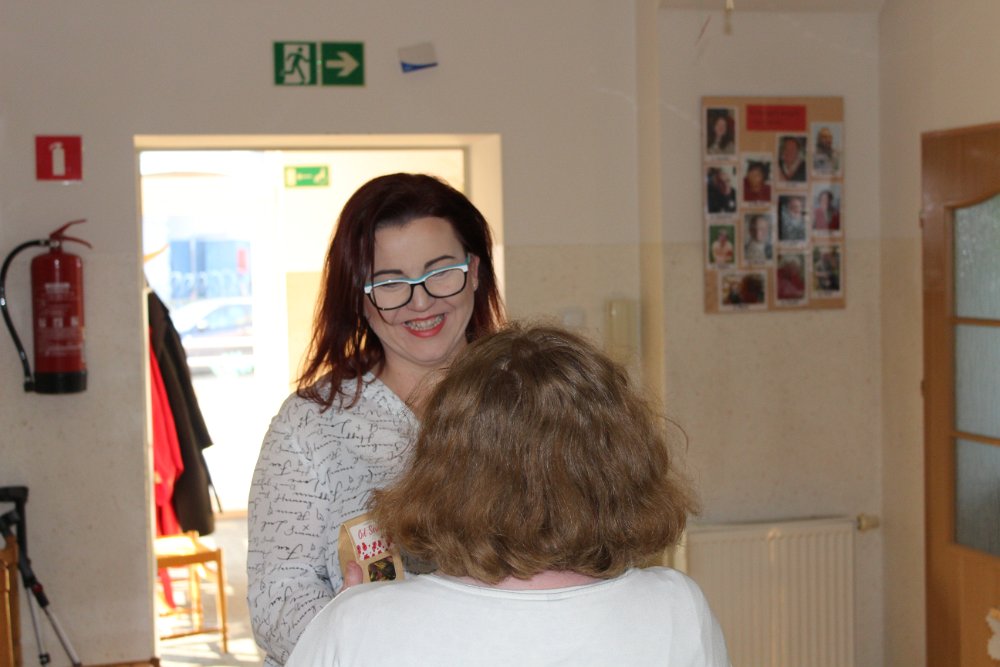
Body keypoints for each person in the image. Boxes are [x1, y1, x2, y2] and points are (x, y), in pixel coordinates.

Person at [285, 323, 731, 667]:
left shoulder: (357, 625)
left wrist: (360, 618)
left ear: (442, 469)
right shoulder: (677, 609)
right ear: (622, 462)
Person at [247, 173, 506, 667]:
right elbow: (278, 600)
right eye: (389, 283)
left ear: (474, 270)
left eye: (440, 272)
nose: (421, 301)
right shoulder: (309, 427)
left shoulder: (532, 402)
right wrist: (369, 643)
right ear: (360, 297)